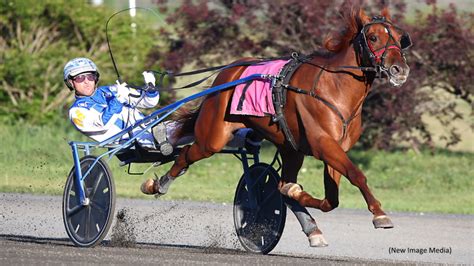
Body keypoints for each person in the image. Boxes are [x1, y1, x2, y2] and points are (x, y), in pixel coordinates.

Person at [63, 57, 174, 155]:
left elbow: (149, 102)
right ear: (71, 83)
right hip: (132, 141)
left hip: (151, 128)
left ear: (95, 78)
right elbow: (102, 125)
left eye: (90, 77)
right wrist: (118, 100)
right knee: (184, 129)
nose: (86, 82)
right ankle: (161, 139)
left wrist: (150, 87)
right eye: (80, 78)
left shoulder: (111, 90)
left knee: (187, 123)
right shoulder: (76, 111)